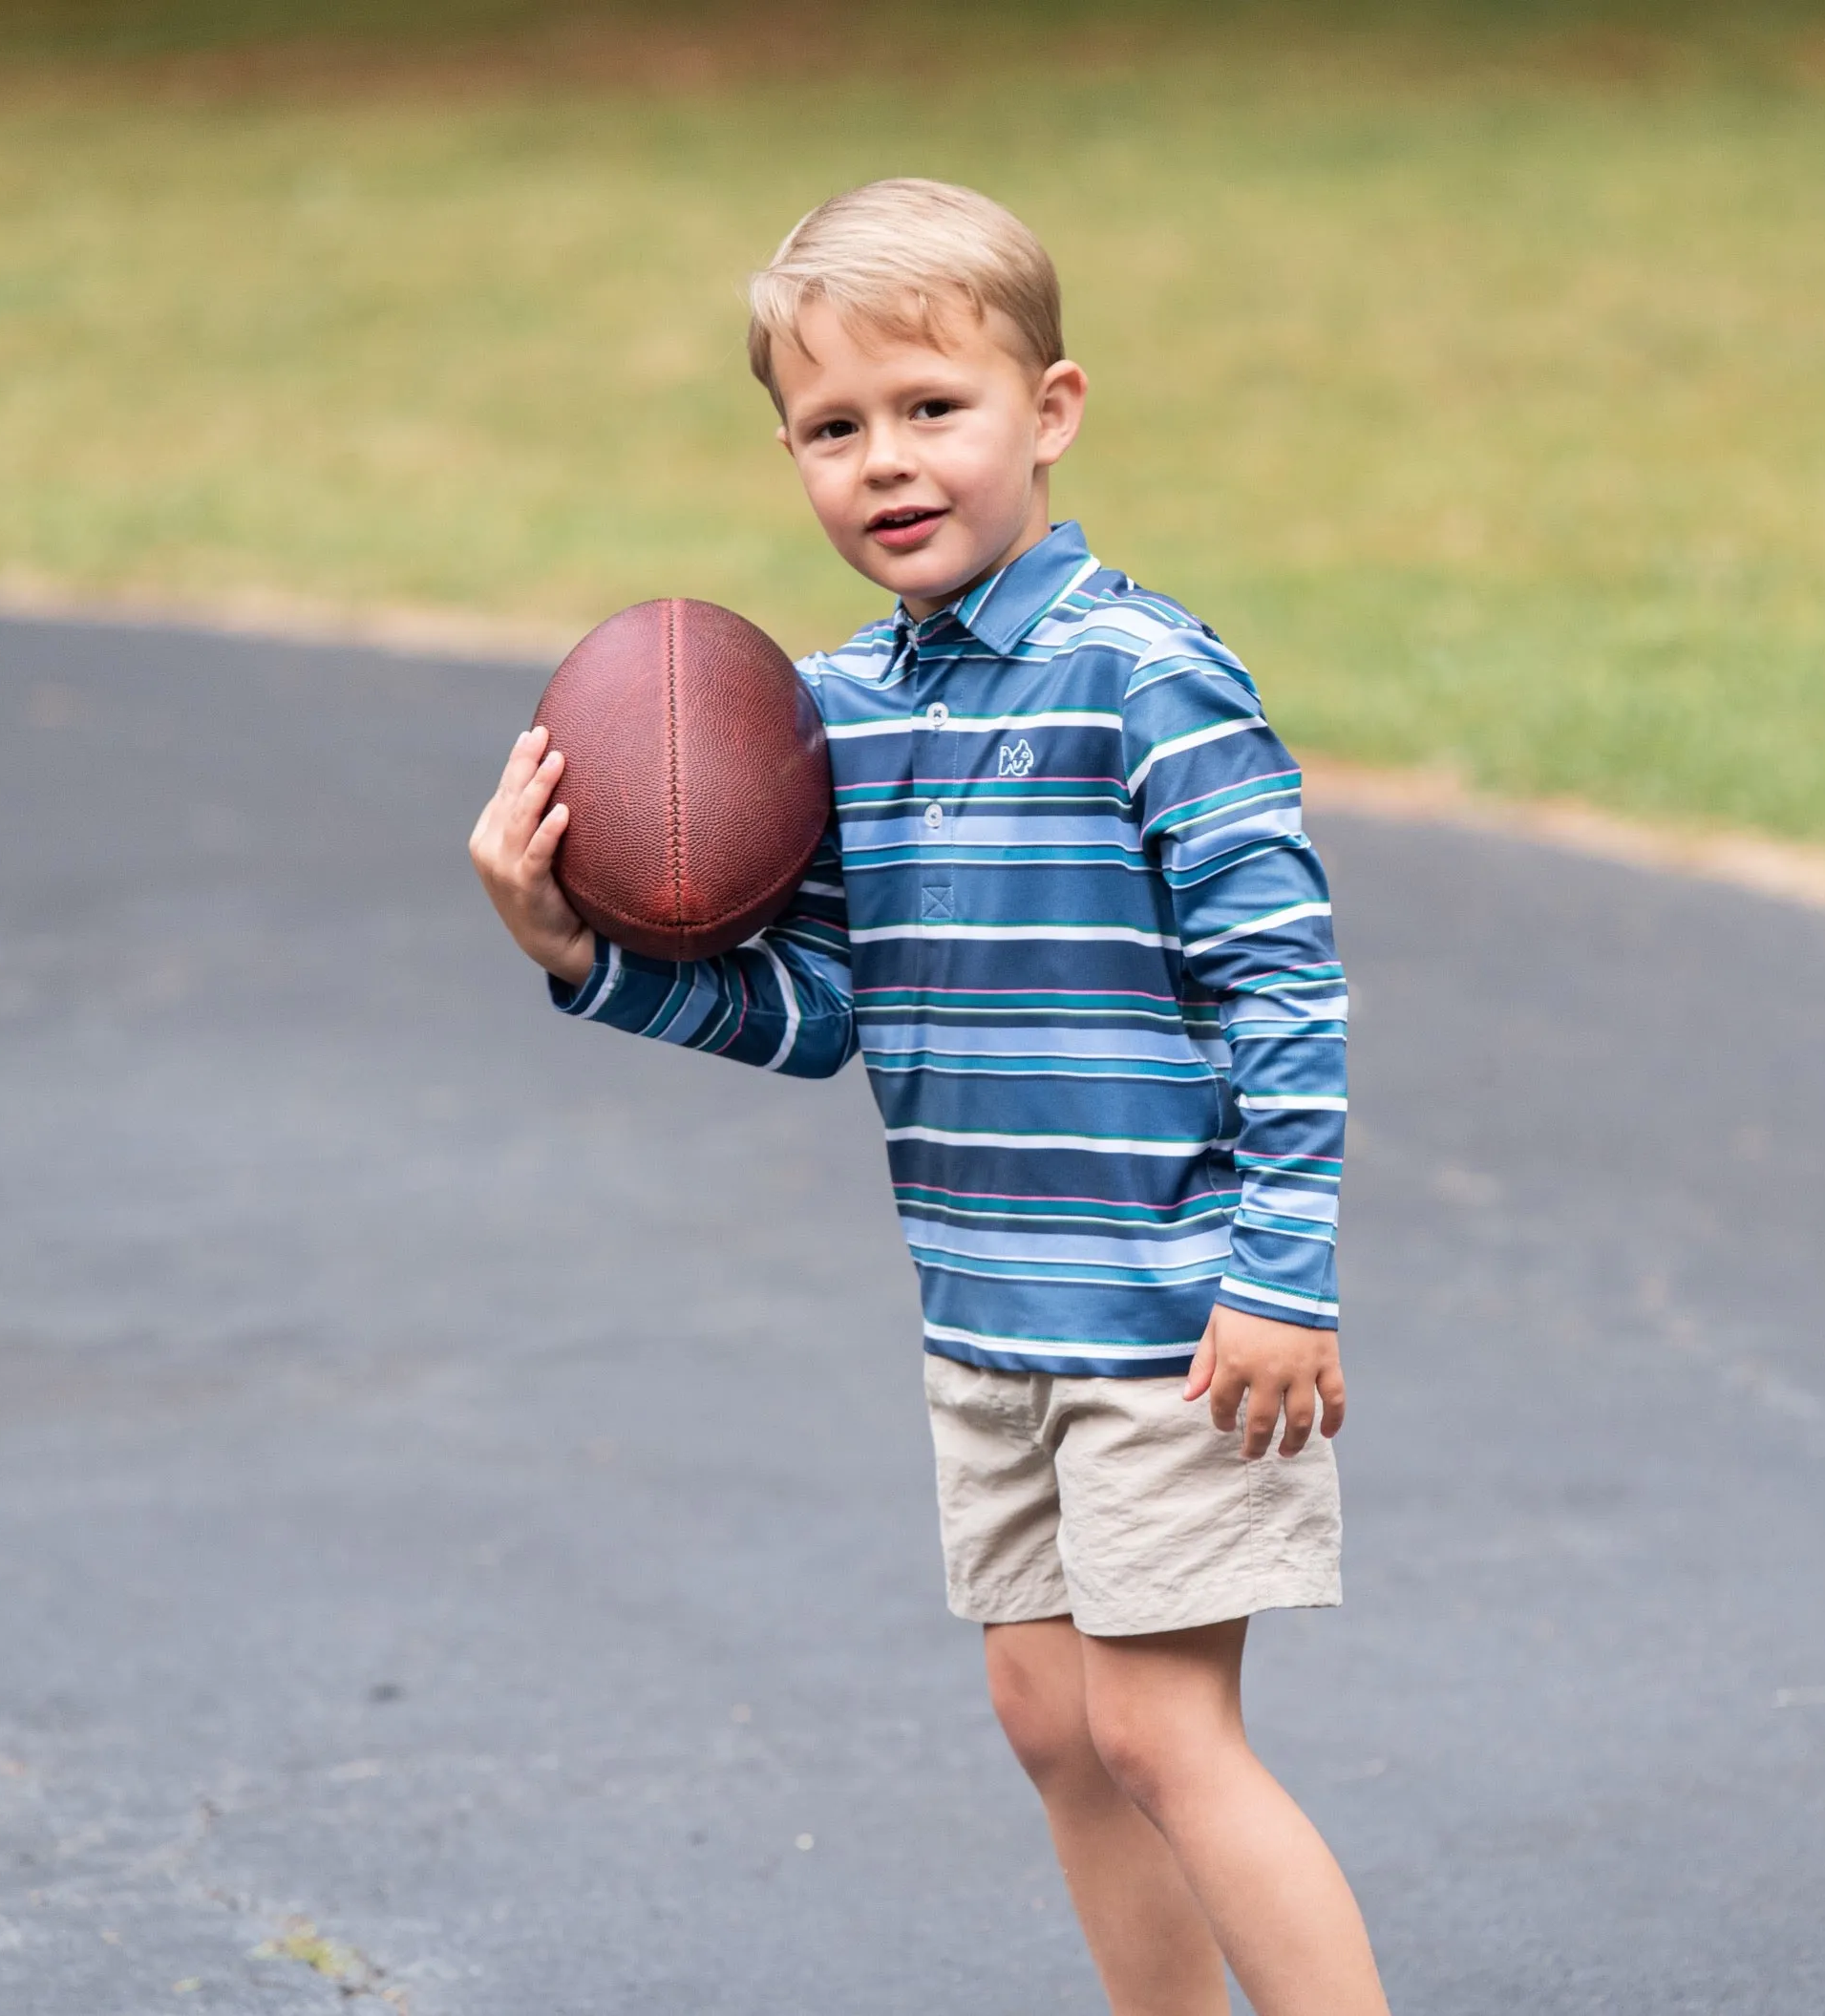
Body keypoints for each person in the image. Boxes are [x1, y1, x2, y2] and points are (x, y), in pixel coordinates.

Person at [467, 178, 1384, 2016]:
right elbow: (816, 1013)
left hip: (1168, 1313)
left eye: (930, 410)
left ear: (1047, 414)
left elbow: (1282, 983)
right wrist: (574, 950)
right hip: (984, 1304)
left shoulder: (1149, 680)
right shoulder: (829, 716)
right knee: (1050, 1715)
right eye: (831, 427)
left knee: (1160, 1721)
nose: (884, 462)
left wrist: (1279, 1272)